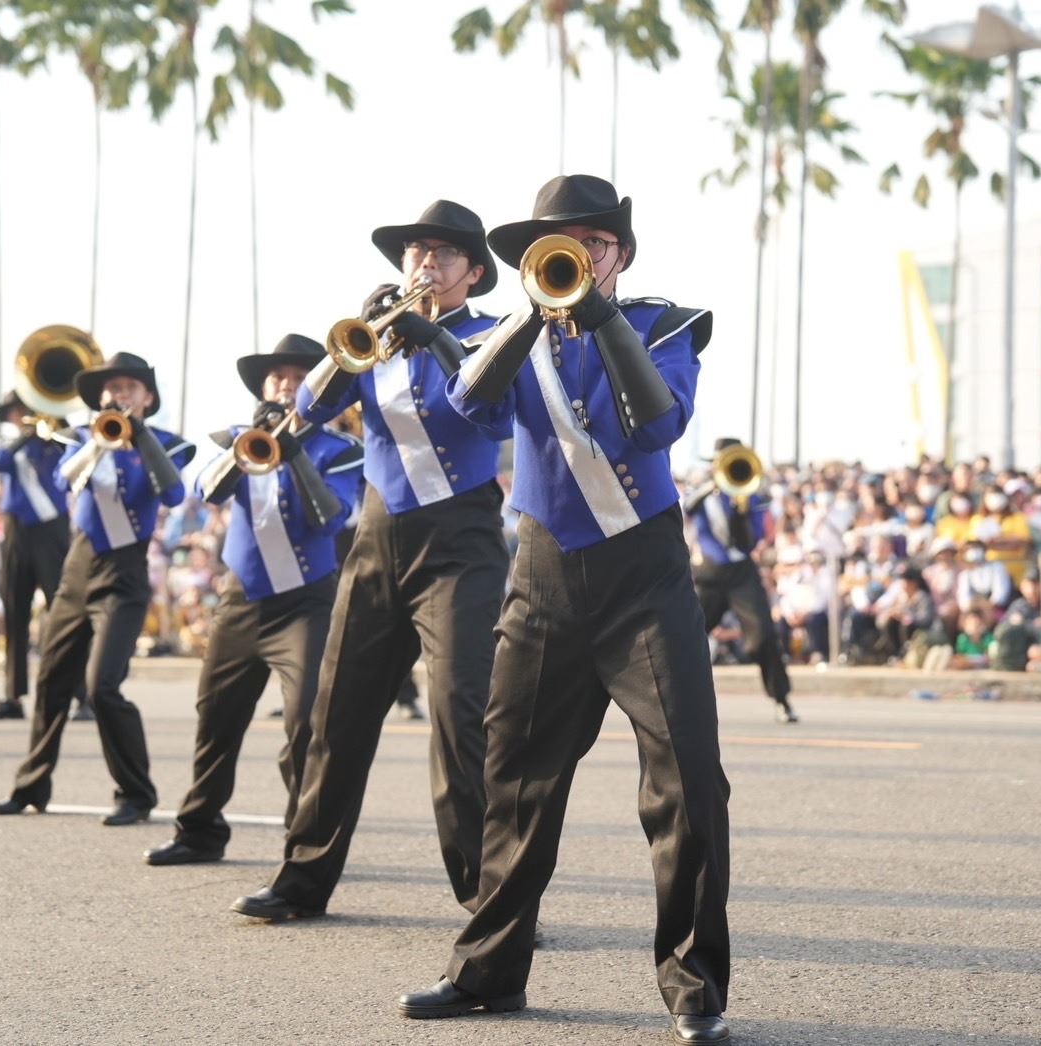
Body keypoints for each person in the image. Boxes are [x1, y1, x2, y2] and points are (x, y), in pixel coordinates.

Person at [395, 175, 731, 1045]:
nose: (576, 257)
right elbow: (469, 404)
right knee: (514, 782)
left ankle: (693, 985)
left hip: (644, 579)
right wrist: (528, 320)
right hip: (543, 578)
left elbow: (657, 427)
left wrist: (604, 315)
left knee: (688, 780)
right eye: (558, 246)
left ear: (620, 255)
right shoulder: (517, 335)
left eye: (594, 243)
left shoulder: (666, 324)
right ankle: (487, 974)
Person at [231, 200, 507, 920]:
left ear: (473, 275)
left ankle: (487, 900)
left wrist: (436, 342)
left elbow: (496, 409)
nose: (426, 264)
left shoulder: (489, 333)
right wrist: (355, 335)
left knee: (459, 717)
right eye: (417, 251)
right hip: (377, 538)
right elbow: (309, 411)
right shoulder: (375, 342)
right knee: (337, 716)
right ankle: (302, 880)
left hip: (461, 542)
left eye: (444, 255)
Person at [144, 335, 363, 866]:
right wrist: (258, 444)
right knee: (215, 718)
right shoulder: (241, 440)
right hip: (241, 602)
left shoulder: (339, 450)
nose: (285, 386)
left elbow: (331, 518)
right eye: (276, 379)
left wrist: (296, 458)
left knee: (306, 725)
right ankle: (199, 830)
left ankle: (305, 839)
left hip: (307, 603)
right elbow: (207, 492)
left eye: (296, 378)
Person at [0, 353, 195, 822]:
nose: (117, 395)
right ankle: (31, 785)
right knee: (51, 681)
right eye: (111, 389)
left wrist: (138, 435)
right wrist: (103, 441)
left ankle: (135, 793)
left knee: (102, 687)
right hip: (77, 569)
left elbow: (173, 493)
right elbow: (66, 478)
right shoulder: (80, 439)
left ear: (147, 397)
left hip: (124, 576)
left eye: (128, 388)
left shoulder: (167, 444)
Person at [0, 390, 85, 722]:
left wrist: (51, 428)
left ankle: (81, 693)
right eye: (16, 412)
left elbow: (74, 461)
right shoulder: (9, 448)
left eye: (26, 409)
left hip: (51, 530)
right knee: (14, 612)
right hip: (16, 533)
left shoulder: (57, 441)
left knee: (65, 612)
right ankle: (13, 695)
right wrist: (24, 437)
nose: (21, 416)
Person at [685, 438, 797, 722]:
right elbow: (687, 506)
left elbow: (750, 542)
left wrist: (741, 511)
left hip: (741, 573)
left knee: (763, 637)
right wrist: (714, 484)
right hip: (709, 574)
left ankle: (781, 699)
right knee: (683, 637)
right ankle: (674, 703)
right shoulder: (704, 495)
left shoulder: (752, 496)